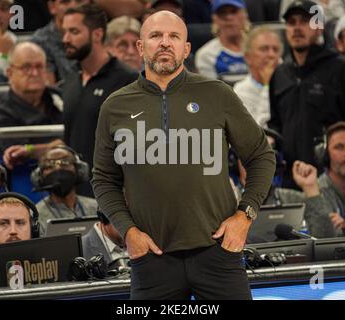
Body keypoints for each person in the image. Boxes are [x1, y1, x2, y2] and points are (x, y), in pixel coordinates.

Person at [92, 11, 275, 300]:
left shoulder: (218, 94)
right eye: (155, 36)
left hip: (218, 253)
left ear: (186, 48)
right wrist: (128, 232)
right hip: (151, 258)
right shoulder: (115, 107)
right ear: (141, 47)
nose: (165, 43)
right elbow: (103, 179)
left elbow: (262, 156)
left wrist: (245, 216)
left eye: (174, 37)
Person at [3, 3, 138, 197]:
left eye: (74, 32)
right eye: (64, 32)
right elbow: (72, 140)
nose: (66, 39)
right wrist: (31, 151)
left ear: (97, 35)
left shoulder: (127, 81)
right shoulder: (71, 81)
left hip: (115, 197)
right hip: (78, 197)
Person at [268, 0, 345, 187]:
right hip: (291, 178)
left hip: (332, 179)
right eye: (292, 22)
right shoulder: (280, 74)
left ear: (319, 28)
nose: (297, 28)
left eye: (304, 21)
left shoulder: (341, 69)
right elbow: (276, 124)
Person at [0, 42, 64, 154]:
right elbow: (16, 156)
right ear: (10, 73)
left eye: (39, 66)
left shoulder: (61, 98)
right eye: (26, 67)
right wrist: (56, 146)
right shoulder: (1, 117)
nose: (34, 73)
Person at [32, 145, 98, 235]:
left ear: (79, 170)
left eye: (65, 162)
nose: (58, 168)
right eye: (49, 165)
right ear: (39, 177)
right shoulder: (35, 216)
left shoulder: (97, 208)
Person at [233, 26, 283, 128]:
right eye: (264, 49)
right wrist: (267, 86)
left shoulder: (290, 85)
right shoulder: (240, 92)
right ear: (248, 57)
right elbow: (260, 131)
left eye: (275, 49)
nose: (271, 55)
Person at [31, 0, 91, 84]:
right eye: (65, 2)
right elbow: (49, 90)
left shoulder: (99, 34)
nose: (74, 6)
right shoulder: (40, 42)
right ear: (52, 7)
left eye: (79, 1)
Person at [195, 0, 250, 84]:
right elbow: (211, 92)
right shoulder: (207, 55)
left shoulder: (261, 48)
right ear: (215, 19)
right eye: (222, 13)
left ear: (245, 15)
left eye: (233, 11)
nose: (228, 17)